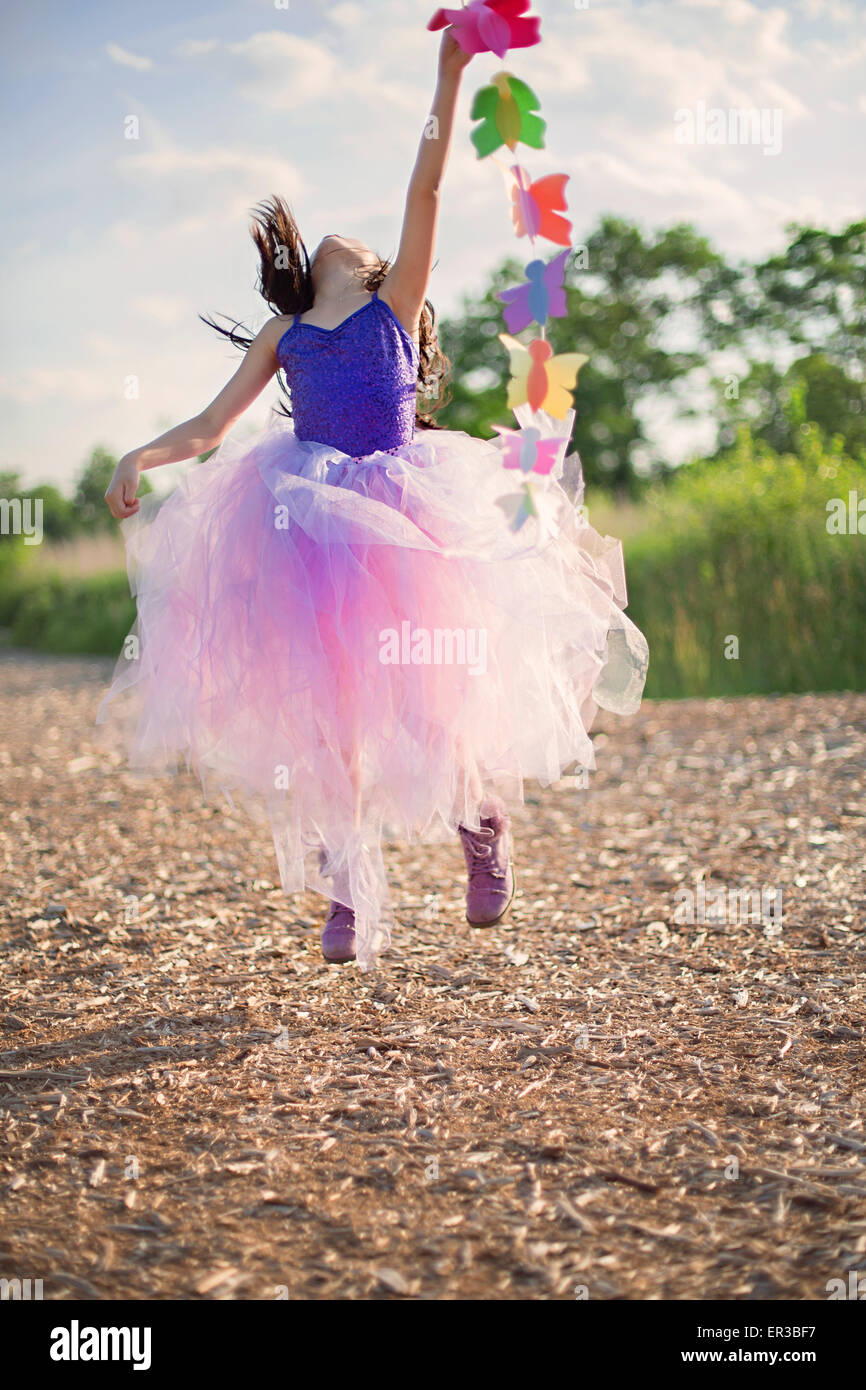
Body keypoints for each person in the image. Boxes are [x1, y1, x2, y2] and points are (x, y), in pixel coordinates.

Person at [99, 28, 647, 970]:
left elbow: (427, 187)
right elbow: (211, 426)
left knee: (436, 696)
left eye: (364, 240)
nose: (348, 236)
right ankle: (348, 892)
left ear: (378, 268)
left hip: (406, 514)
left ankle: (483, 825)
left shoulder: (398, 302)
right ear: (311, 266)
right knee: (329, 721)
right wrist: (142, 456)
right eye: (335, 238)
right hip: (302, 524)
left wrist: (450, 72)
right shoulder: (286, 328)